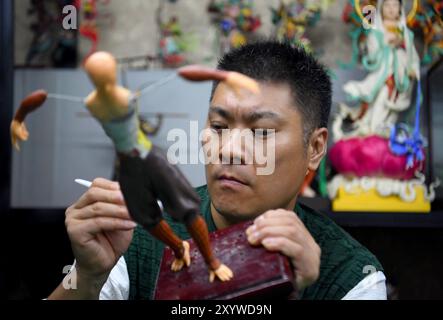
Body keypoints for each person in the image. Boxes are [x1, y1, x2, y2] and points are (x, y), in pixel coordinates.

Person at [48, 41, 386, 300]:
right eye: (219, 125)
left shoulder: (353, 277)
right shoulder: (136, 237)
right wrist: (89, 274)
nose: (229, 149)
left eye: (261, 132)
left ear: (314, 148)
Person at [334, 0, 420, 140]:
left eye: (395, 5)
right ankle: (373, 132)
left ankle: (383, 134)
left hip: (400, 78)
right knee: (380, 100)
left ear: (400, 8)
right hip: (382, 76)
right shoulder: (376, 30)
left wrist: (412, 67)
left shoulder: (406, 33)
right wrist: (385, 42)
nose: (391, 9)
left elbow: (413, 57)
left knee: (392, 109)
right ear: (381, 7)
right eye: (387, 5)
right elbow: (371, 55)